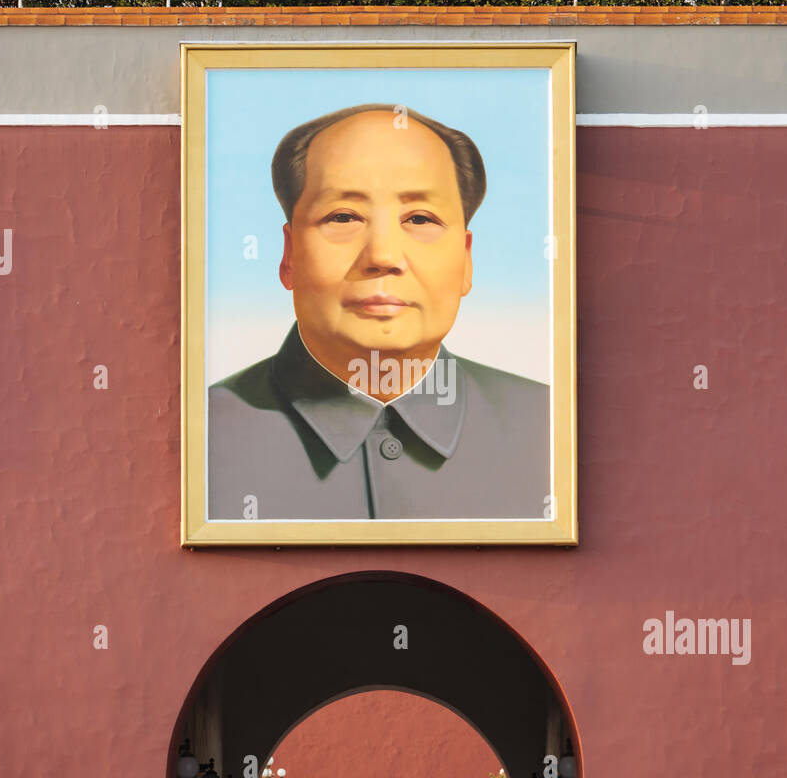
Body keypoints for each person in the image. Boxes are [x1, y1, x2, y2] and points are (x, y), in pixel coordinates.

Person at [209, 104, 549, 521]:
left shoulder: (551, 430)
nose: (383, 256)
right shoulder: (201, 436)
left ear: (466, 259)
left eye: (420, 219)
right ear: (289, 255)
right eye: (344, 217)